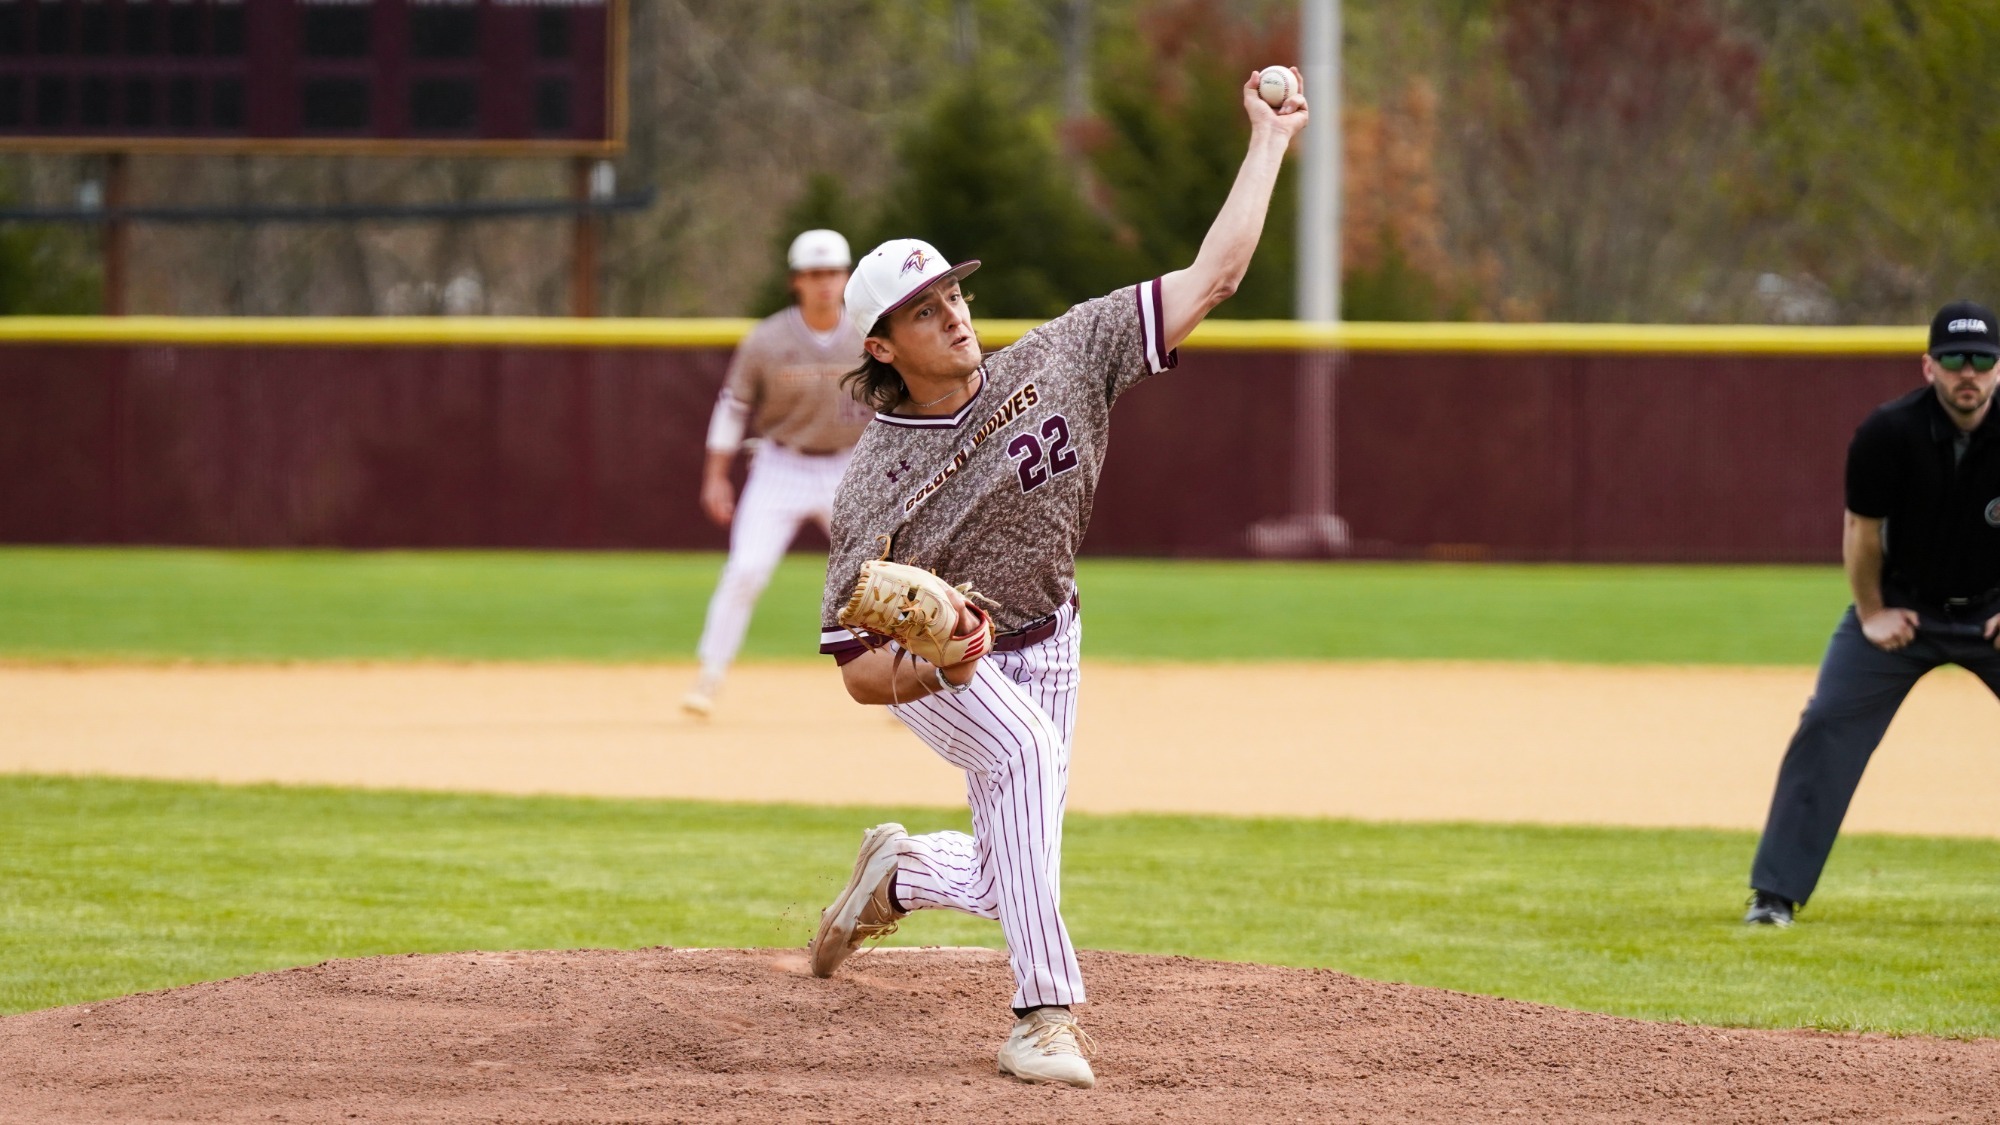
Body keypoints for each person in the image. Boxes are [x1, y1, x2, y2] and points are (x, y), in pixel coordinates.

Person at [803, 70, 1310, 1087]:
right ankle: (1042, 1017)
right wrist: (931, 662)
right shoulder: (870, 487)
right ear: (880, 346)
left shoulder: (1064, 354)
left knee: (1007, 867)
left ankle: (897, 875)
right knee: (1024, 755)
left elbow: (1211, 276)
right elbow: (855, 671)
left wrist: (1268, 141)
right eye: (922, 307)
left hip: (1054, 634)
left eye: (952, 290)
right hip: (946, 674)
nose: (951, 313)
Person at [1744, 300, 2000, 926]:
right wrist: (1871, 612)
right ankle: (1773, 896)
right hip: (1904, 612)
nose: (1968, 373)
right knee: (1828, 721)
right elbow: (1861, 532)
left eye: (1982, 361)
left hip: (1993, 613)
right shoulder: (1888, 434)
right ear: (1928, 366)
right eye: (1954, 360)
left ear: (1999, 369)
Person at [683, 229, 871, 717]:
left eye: (832, 273)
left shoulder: (868, 335)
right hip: (780, 465)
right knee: (745, 570)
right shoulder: (767, 339)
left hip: (850, 467)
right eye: (814, 274)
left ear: (847, 277)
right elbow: (732, 409)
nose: (825, 283)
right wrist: (715, 475)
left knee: (879, 577)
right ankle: (709, 677)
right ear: (796, 281)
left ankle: (900, 687)